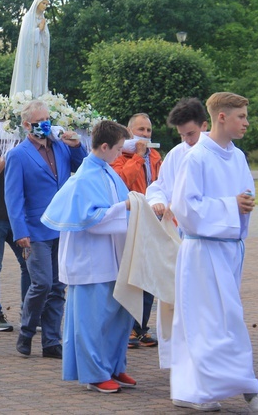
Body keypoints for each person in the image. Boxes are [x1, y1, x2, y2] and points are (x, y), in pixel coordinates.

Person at [169, 92, 258, 413]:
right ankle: (253, 393)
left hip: (229, 250)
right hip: (203, 252)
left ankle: (190, 390)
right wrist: (230, 206)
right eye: (241, 116)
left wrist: (245, 205)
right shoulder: (196, 158)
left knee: (206, 322)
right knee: (222, 322)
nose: (247, 122)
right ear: (221, 117)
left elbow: (244, 194)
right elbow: (184, 208)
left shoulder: (237, 156)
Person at [41, 120, 136, 393]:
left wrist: (134, 205)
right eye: (118, 149)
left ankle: (115, 366)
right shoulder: (83, 178)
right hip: (91, 261)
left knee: (118, 316)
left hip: (114, 256)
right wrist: (126, 207)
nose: (120, 154)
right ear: (104, 147)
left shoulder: (107, 171)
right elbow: (91, 219)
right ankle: (94, 373)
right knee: (91, 321)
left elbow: (120, 206)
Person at [5, 99, 87, 359]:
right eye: (39, 121)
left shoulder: (61, 147)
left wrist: (76, 146)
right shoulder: (18, 155)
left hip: (61, 227)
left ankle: (52, 341)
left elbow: (82, 167)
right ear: (27, 124)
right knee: (41, 283)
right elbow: (13, 197)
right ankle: (27, 331)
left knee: (58, 286)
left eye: (47, 119)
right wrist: (20, 231)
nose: (45, 124)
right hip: (35, 228)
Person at [144, 98, 208, 368]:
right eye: (182, 135)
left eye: (191, 134)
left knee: (204, 303)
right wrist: (156, 200)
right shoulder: (177, 154)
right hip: (179, 241)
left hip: (206, 242)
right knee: (174, 299)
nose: (187, 140)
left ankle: (203, 354)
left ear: (205, 125)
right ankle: (175, 358)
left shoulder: (217, 154)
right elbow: (159, 185)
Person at [111, 112, 161, 348]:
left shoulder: (157, 156)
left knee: (150, 276)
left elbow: (162, 185)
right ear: (130, 132)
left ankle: (141, 327)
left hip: (153, 222)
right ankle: (127, 329)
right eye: (141, 130)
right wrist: (138, 157)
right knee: (131, 276)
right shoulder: (121, 155)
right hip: (130, 222)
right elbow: (122, 182)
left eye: (148, 130)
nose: (145, 134)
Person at [0, 157, 30, 332]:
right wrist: (7, 156)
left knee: (28, 264)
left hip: (18, 218)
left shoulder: (24, 151)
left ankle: (28, 313)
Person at [9, 0, 54, 98]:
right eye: (43, 3)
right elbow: (26, 37)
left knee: (39, 76)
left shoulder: (43, 19)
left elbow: (46, 39)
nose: (44, 6)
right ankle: (26, 98)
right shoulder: (28, 17)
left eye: (46, 4)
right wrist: (38, 29)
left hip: (40, 54)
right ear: (37, 3)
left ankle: (39, 97)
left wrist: (43, 31)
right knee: (29, 76)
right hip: (30, 54)